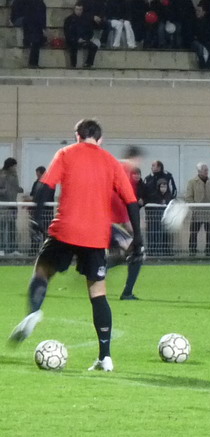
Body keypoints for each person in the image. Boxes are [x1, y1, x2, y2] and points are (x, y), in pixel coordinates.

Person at [8, 118, 142, 373]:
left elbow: (45, 188)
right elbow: (131, 201)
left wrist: (36, 219)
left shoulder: (66, 154)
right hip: (96, 235)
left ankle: (34, 312)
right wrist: (138, 238)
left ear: (77, 136)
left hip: (65, 229)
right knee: (98, 293)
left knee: (42, 271)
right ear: (100, 139)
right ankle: (105, 357)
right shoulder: (111, 161)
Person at [107, 145, 147, 300]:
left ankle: (97, 268)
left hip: (102, 220)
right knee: (137, 252)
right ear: (136, 158)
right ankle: (127, 292)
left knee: (123, 253)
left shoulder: (116, 167)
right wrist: (128, 222)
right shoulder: (125, 171)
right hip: (109, 222)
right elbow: (119, 199)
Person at [186, 163, 210, 256]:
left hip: (209, 212)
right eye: (205, 170)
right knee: (194, 232)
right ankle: (192, 250)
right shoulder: (192, 182)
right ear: (199, 171)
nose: (207, 172)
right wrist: (194, 208)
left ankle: (209, 250)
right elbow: (188, 197)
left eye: (207, 170)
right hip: (197, 212)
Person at [0, 157, 23, 255]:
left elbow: (15, 188)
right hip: (3, 206)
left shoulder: (15, 176)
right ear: (9, 166)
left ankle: (13, 249)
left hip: (13, 205)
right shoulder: (1, 175)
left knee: (12, 228)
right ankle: (1, 249)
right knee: (1, 228)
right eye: (14, 166)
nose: (15, 168)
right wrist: (3, 192)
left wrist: (18, 189)